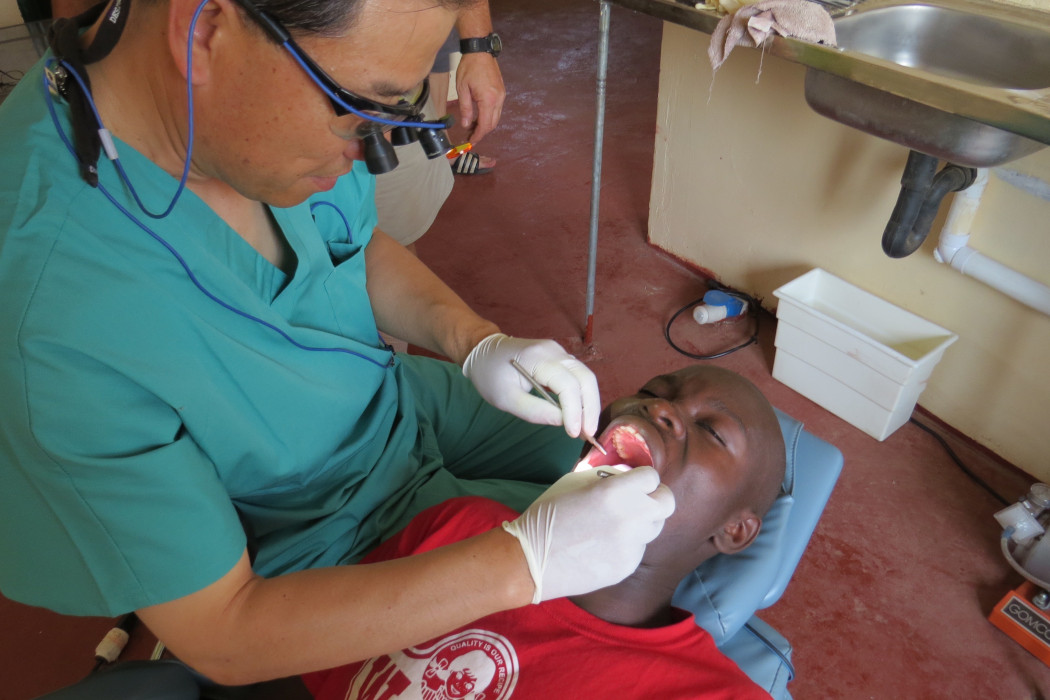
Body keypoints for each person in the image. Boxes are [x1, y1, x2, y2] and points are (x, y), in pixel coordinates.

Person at [0, 0, 677, 687]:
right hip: (325, 530)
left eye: (397, 110)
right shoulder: (53, 307)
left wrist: (475, 341)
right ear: (203, 29)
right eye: (360, 109)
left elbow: (346, 241)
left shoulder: (264, 113)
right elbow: (226, 631)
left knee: (658, 487)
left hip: (407, 404)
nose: (367, 150)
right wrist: (523, 565)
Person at [301, 365, 786, 699]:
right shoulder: (459, 527)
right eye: (655, 391)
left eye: (714, 431)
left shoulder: (710, 692)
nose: (659, 409)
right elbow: (302, 669)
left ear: (736, 531)